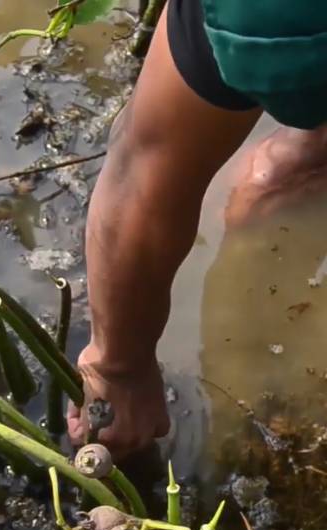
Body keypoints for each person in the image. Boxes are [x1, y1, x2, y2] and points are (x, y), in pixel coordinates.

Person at [66, 0, 327, 458]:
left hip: (266, 19)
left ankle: (288, 169)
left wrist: (116, 368)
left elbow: (141, 169)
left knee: (159, 157)